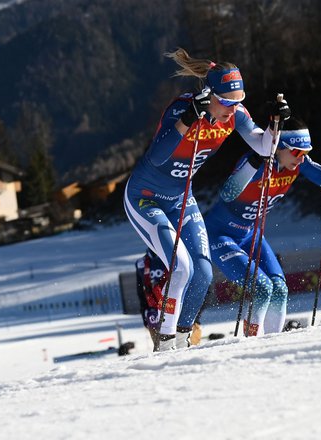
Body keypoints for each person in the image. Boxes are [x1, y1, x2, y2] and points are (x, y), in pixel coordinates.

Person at [123, 48, 291, 350]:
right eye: (226, 102)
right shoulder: (181, 109)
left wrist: (275, 124)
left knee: (201, 271)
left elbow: (265, 148)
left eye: (238, 101)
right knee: (182, 267)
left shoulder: (235, 115)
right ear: (209, 95)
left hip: (179, 198)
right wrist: (188, 120)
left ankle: (184, 338)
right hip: (144, 197)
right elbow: (158, 158)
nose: (232, 109)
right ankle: (164, 342)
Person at [205, 118, 321, 336]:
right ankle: (252, 342)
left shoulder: (297, 164)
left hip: (250, 234)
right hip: (220, 235)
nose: (301, 159)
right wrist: (256, 160)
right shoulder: (255, 162)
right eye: (297, 152)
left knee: (280, 289)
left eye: (305, 153)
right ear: (280, 147)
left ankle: (275, 342)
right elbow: (227, 193)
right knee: (262, 288)